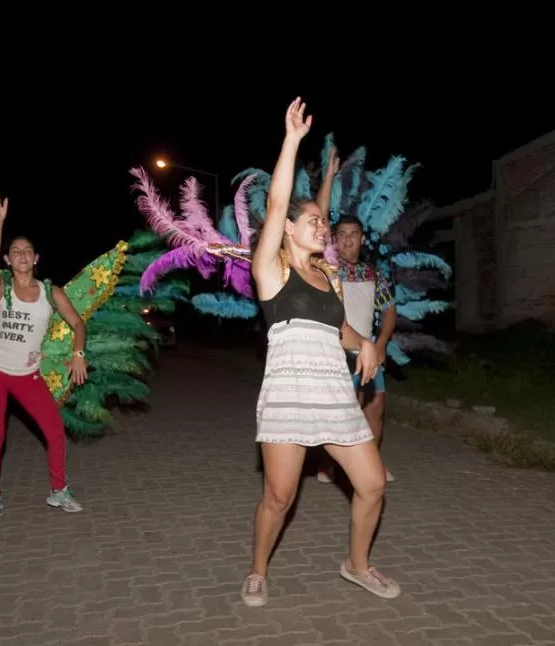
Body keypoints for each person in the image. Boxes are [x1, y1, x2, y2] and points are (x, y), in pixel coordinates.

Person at [242, 98, 400, 607]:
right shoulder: (272, 269)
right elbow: (277, 202)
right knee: (279, 497)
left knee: (373, 484)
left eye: (322, 221)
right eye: (310, 219)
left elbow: (345, 333)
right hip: (289, 396)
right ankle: (258, 571)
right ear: (287, 229)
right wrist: (291, 141)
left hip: (335, 395)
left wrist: (371, 345)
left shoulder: (328, 276)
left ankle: (357, 565)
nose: (321, 225)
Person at [0, 188, 88, 519]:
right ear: (8, 260)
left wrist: (79, 353)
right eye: (16, 251)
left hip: (27, 374)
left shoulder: (52, 293)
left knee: (54, 430)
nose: (22, 255)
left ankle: (59, 491)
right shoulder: (0, 289)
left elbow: (78, 324)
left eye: (28, 251)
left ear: (36, 258)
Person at [315, 211, 398, 484]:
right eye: (342, 235)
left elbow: (388, 311)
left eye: (354, 235)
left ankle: (370, 465)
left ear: (362, 239)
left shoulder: (375, 274)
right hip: (334, 352)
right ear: (335, 240)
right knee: (342, 413)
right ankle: (330, 465)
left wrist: (381, 343)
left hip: (368, 352)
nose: (348, 240)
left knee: (375, 407)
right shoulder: (326, 270)